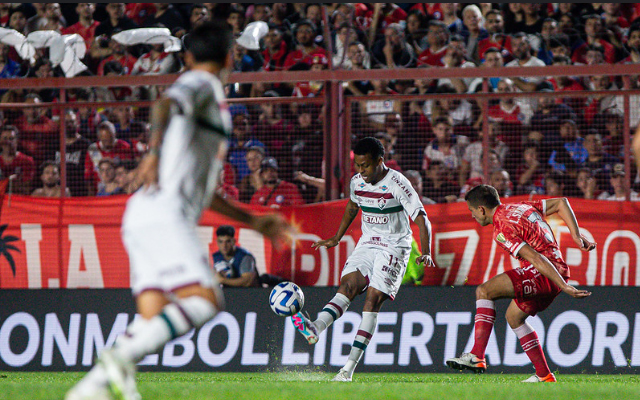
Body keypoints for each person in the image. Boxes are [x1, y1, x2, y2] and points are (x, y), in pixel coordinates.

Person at [65, 20, 293, 400]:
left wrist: (253, 221)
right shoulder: (203, 84)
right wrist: (153, 154)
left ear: (186, 55)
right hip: (164, 215)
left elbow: (202, 191)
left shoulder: (207, 105)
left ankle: (91, 390)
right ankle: (119, 357)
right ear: (230, 56)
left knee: (154, 317)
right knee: (205, 301)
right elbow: (165, 103)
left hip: (143, 214)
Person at [290, 137, 435, 382]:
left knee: (372, 300)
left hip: (394, 246)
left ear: (380, 161)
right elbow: (352, 206)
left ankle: (347, 369)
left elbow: (422, 218)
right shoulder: (357, 182)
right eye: (357, 165)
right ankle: (315, 328)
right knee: (348, 287)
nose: (361, 171)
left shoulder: (398, 183)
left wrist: (427, 251)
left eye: (365, 165)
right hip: (368, 243)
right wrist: (336, 237)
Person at [446, 184, 596, 383]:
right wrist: (576, 236)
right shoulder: (522, 207)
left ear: (481, 210)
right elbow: (562, 202)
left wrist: (563, 285)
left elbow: (535, 258)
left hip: (545, 272)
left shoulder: (502, 228)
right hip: (556, 270)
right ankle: (544, 375)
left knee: (484, 291)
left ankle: (476, 356)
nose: (472, 216)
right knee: (514, 317)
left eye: (471, 211)